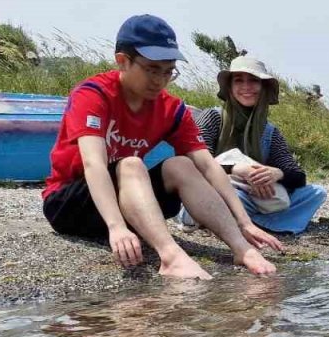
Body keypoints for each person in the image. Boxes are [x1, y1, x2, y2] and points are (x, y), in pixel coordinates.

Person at [42, 15, 282, 279]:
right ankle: (170, 256)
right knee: (132, 164)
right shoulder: (94, 95)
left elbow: (207, 164)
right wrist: (117, 227)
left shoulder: (172, 109)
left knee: (181, 164)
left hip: (130, 202)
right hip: (69, 203)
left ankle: (241, 249)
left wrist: (244, 224)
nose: (160, 80)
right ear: (123, 61)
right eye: (152, 69)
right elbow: (93, 164)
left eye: (168, 71)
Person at [179, 56, 327, 234]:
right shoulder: (212, 117)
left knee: (316, 193)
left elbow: (297, 176)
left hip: (255, 195)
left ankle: (243, 220)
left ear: (263, 87)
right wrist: (236, 169)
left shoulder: (270, 132)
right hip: (216, 189)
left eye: (253, 81)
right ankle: (237, 218)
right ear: (230, 87)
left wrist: (275, 173)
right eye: (238, 80)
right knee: (234, 196)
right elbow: (196, 159)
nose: (246, 87)